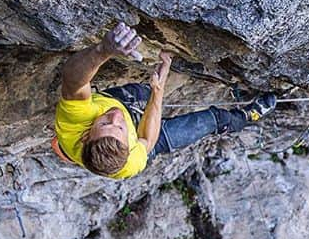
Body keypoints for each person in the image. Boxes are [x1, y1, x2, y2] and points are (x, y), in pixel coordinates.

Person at [54, 22, 274, 179]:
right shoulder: (131, 162)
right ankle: (247, 115)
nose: (115, 116)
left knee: (140, 92)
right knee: (215, 119)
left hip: (111, 104)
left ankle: (71, 147)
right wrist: (158, 89)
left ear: (86, 135)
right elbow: (147, 141)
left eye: (104, 123)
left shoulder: (77, 122)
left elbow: (73, 81)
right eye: (119, 127)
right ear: (129, 146)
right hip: (150, 142)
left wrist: (104, 50)